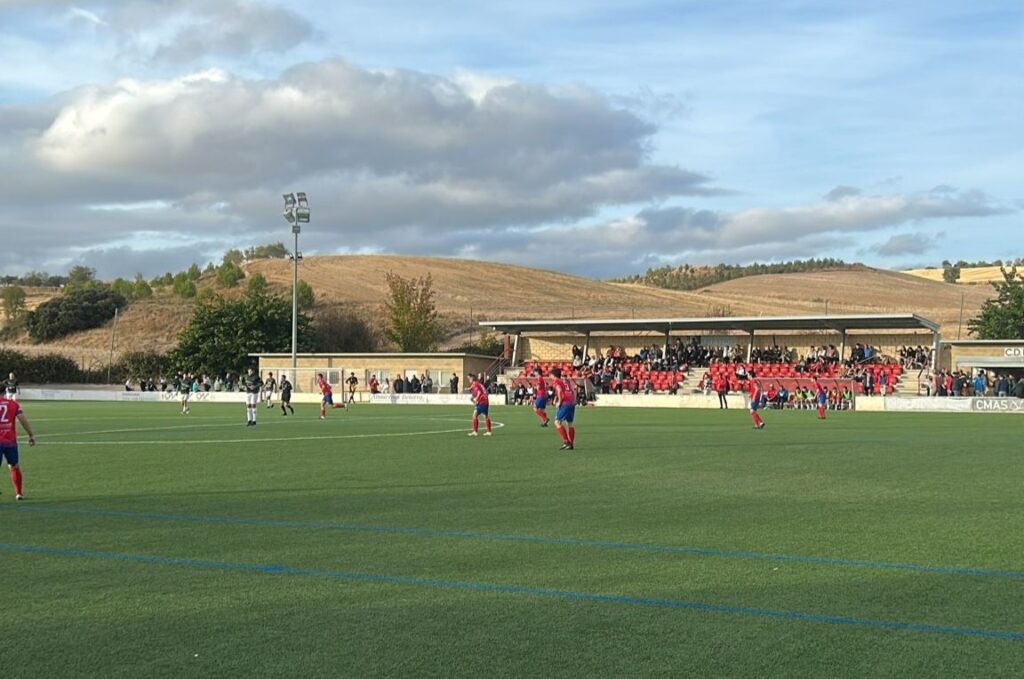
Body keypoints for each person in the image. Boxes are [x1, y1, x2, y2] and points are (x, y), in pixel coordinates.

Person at [0, 393, 35, 500]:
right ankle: (19, 493)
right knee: (14, 466)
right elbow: (22, 419)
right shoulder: (13, 404)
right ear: (4, 392)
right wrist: (30, 435)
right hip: (10, 441)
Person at [550, 367, 576, 450]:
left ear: (553, 375)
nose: (550, 376)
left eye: (550, 375)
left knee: (557, 422)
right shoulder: (562, 381)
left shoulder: (556, 381)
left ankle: (566, 442)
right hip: (571, 402)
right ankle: (571, 444)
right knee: (570, 423)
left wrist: (559, 402)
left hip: (565, 403)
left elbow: (560, 391)